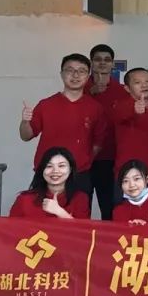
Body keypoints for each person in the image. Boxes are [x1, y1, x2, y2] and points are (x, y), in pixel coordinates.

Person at [19, 53, 105, 197]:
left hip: (79, 175)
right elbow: (25, 136)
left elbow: (97, 144)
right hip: (47, 173)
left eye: (81, 71)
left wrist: (82, 161)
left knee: (79, 211)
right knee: (41, 211)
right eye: (70, 70)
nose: (75, 75)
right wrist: (25, 121)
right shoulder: (46, 105)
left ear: (87, 76)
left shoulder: (95, 108)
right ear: (61, 74)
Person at [0, 147, 91, 221]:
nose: (55, 171)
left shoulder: (80, 198)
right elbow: (8, 230)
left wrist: (60, 212)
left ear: (71, 170)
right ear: (41, 170)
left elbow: (84, 236)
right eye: (49, 166)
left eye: (61, 166)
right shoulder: (25, 199)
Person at [85, 44, 130, 220]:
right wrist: (89, 93)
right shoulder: (80, 88)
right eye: (98, 59)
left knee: (110, 208)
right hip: (83, 158)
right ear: (91, 63)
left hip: (111, 158)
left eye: (107, 60)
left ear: (112, 64)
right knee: (80, 207)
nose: (102, 63)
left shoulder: (122, 91)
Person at [112, 67, 148, 189]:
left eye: (147, 81)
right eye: (137, 82)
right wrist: (134, 110)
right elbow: (119, 116)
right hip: (127, 174)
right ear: (127, 88)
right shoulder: (119, 106)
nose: (144, 85)